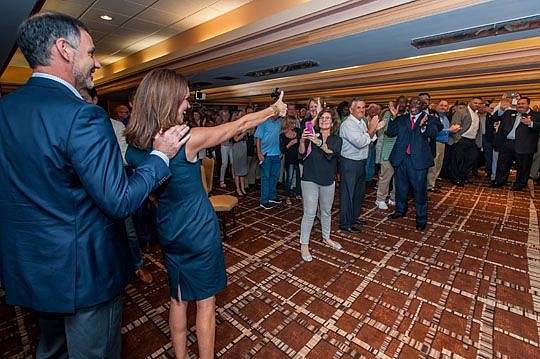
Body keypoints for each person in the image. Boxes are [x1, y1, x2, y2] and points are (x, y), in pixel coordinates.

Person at [0, 13, 188, 358]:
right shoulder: (83, 115)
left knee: (52, 350)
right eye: (91, 52)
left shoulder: (6, 109)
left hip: (34, 266)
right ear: (64, 50)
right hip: (85, 271)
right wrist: (159, 157)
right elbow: (119, 200)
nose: (97, 62)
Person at [124, 68, 287, 358]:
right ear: (167, 100)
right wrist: (273, 109)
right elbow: (237, 127)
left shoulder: (136, 146)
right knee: (205, 303)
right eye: (184, 99)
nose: (188, 105)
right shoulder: (187, 138)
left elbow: (146, 188)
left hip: (169, 228)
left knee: (177, 297)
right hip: (197, 230)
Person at [80, 87, 153, 284]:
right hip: (84, 190)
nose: (80, 101)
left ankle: (138, 266)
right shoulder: (69, 124)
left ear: (95, 100)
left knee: (128, 230)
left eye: (84, 97)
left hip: (116, 181)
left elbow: (124, 156)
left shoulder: (116, 126)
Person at [387, 97, 439, 231]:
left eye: (417, 104)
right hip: (401, 158)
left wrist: (423, 126)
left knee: (419, 191)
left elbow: (433, 133)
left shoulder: (430, 118)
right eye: (411, 104)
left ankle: (421, 218)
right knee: (401, 188)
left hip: (418, 161)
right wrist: (393, 117)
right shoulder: (402, 118)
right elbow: (390, 133)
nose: (413, 106)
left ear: (423, 106)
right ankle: (400, 210)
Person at [298, 108, 343, 261]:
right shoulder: (312, 135)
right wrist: (303, 140)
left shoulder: (336, 139)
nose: (324, 120)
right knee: (310, 213)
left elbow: (331, 154)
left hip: (328, 180)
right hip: (309, 178)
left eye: (327, 118)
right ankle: (304, 245)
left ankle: (326, 237)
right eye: (322, 118)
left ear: (333, 122)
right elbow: (301, 154)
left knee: (326, 211)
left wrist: (317, 142)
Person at [339, 98, 381, 233]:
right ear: (351, 110)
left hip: (361, 161)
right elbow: (360, 141)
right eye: (359, 108)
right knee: (348, 194)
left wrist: (372, 130)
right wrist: (372, 129)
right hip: (350, 163)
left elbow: (370, 139)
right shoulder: (347, 124)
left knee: (358, 193)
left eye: (363, 107)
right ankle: (345, 223)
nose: (362, 110)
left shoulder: (362, 121)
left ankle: (353, 218)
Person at [491, 96, 540, 190]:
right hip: (507, 144)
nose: (520, 105)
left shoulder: (536, 115)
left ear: (528, 104)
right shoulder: (509, 113)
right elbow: (495, 118)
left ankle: (519, 185)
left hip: (524, 146)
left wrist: (531, 124)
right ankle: (499, 181)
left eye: (523, 103)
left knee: (523, 167)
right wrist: (501, 108)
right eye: (518, 104)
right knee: (503, 165)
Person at [256, 111, 283, 209]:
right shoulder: (263, 122)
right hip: (266, 155)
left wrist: (281, 151)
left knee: (274, 176)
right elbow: (258, 138)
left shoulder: (280, 122)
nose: (278, 114)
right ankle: (264, 200)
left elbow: (281, 137)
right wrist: (259, 153)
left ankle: (272, 196)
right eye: (276, 112)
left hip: (277, 154)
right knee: (265, 178)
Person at [280, 115, 302, 204]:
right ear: (287, 123)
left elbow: (303, 141)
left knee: (299, 177)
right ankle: (287, 196)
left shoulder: (298, 131)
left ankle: (298, 193)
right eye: (292, 123)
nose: (294, 125)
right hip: (289, 160)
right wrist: (290, 144)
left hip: (299, 158)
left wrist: (300, 141)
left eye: (294, 123)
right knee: (289, 178)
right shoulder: (282, 135)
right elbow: (282, 149)